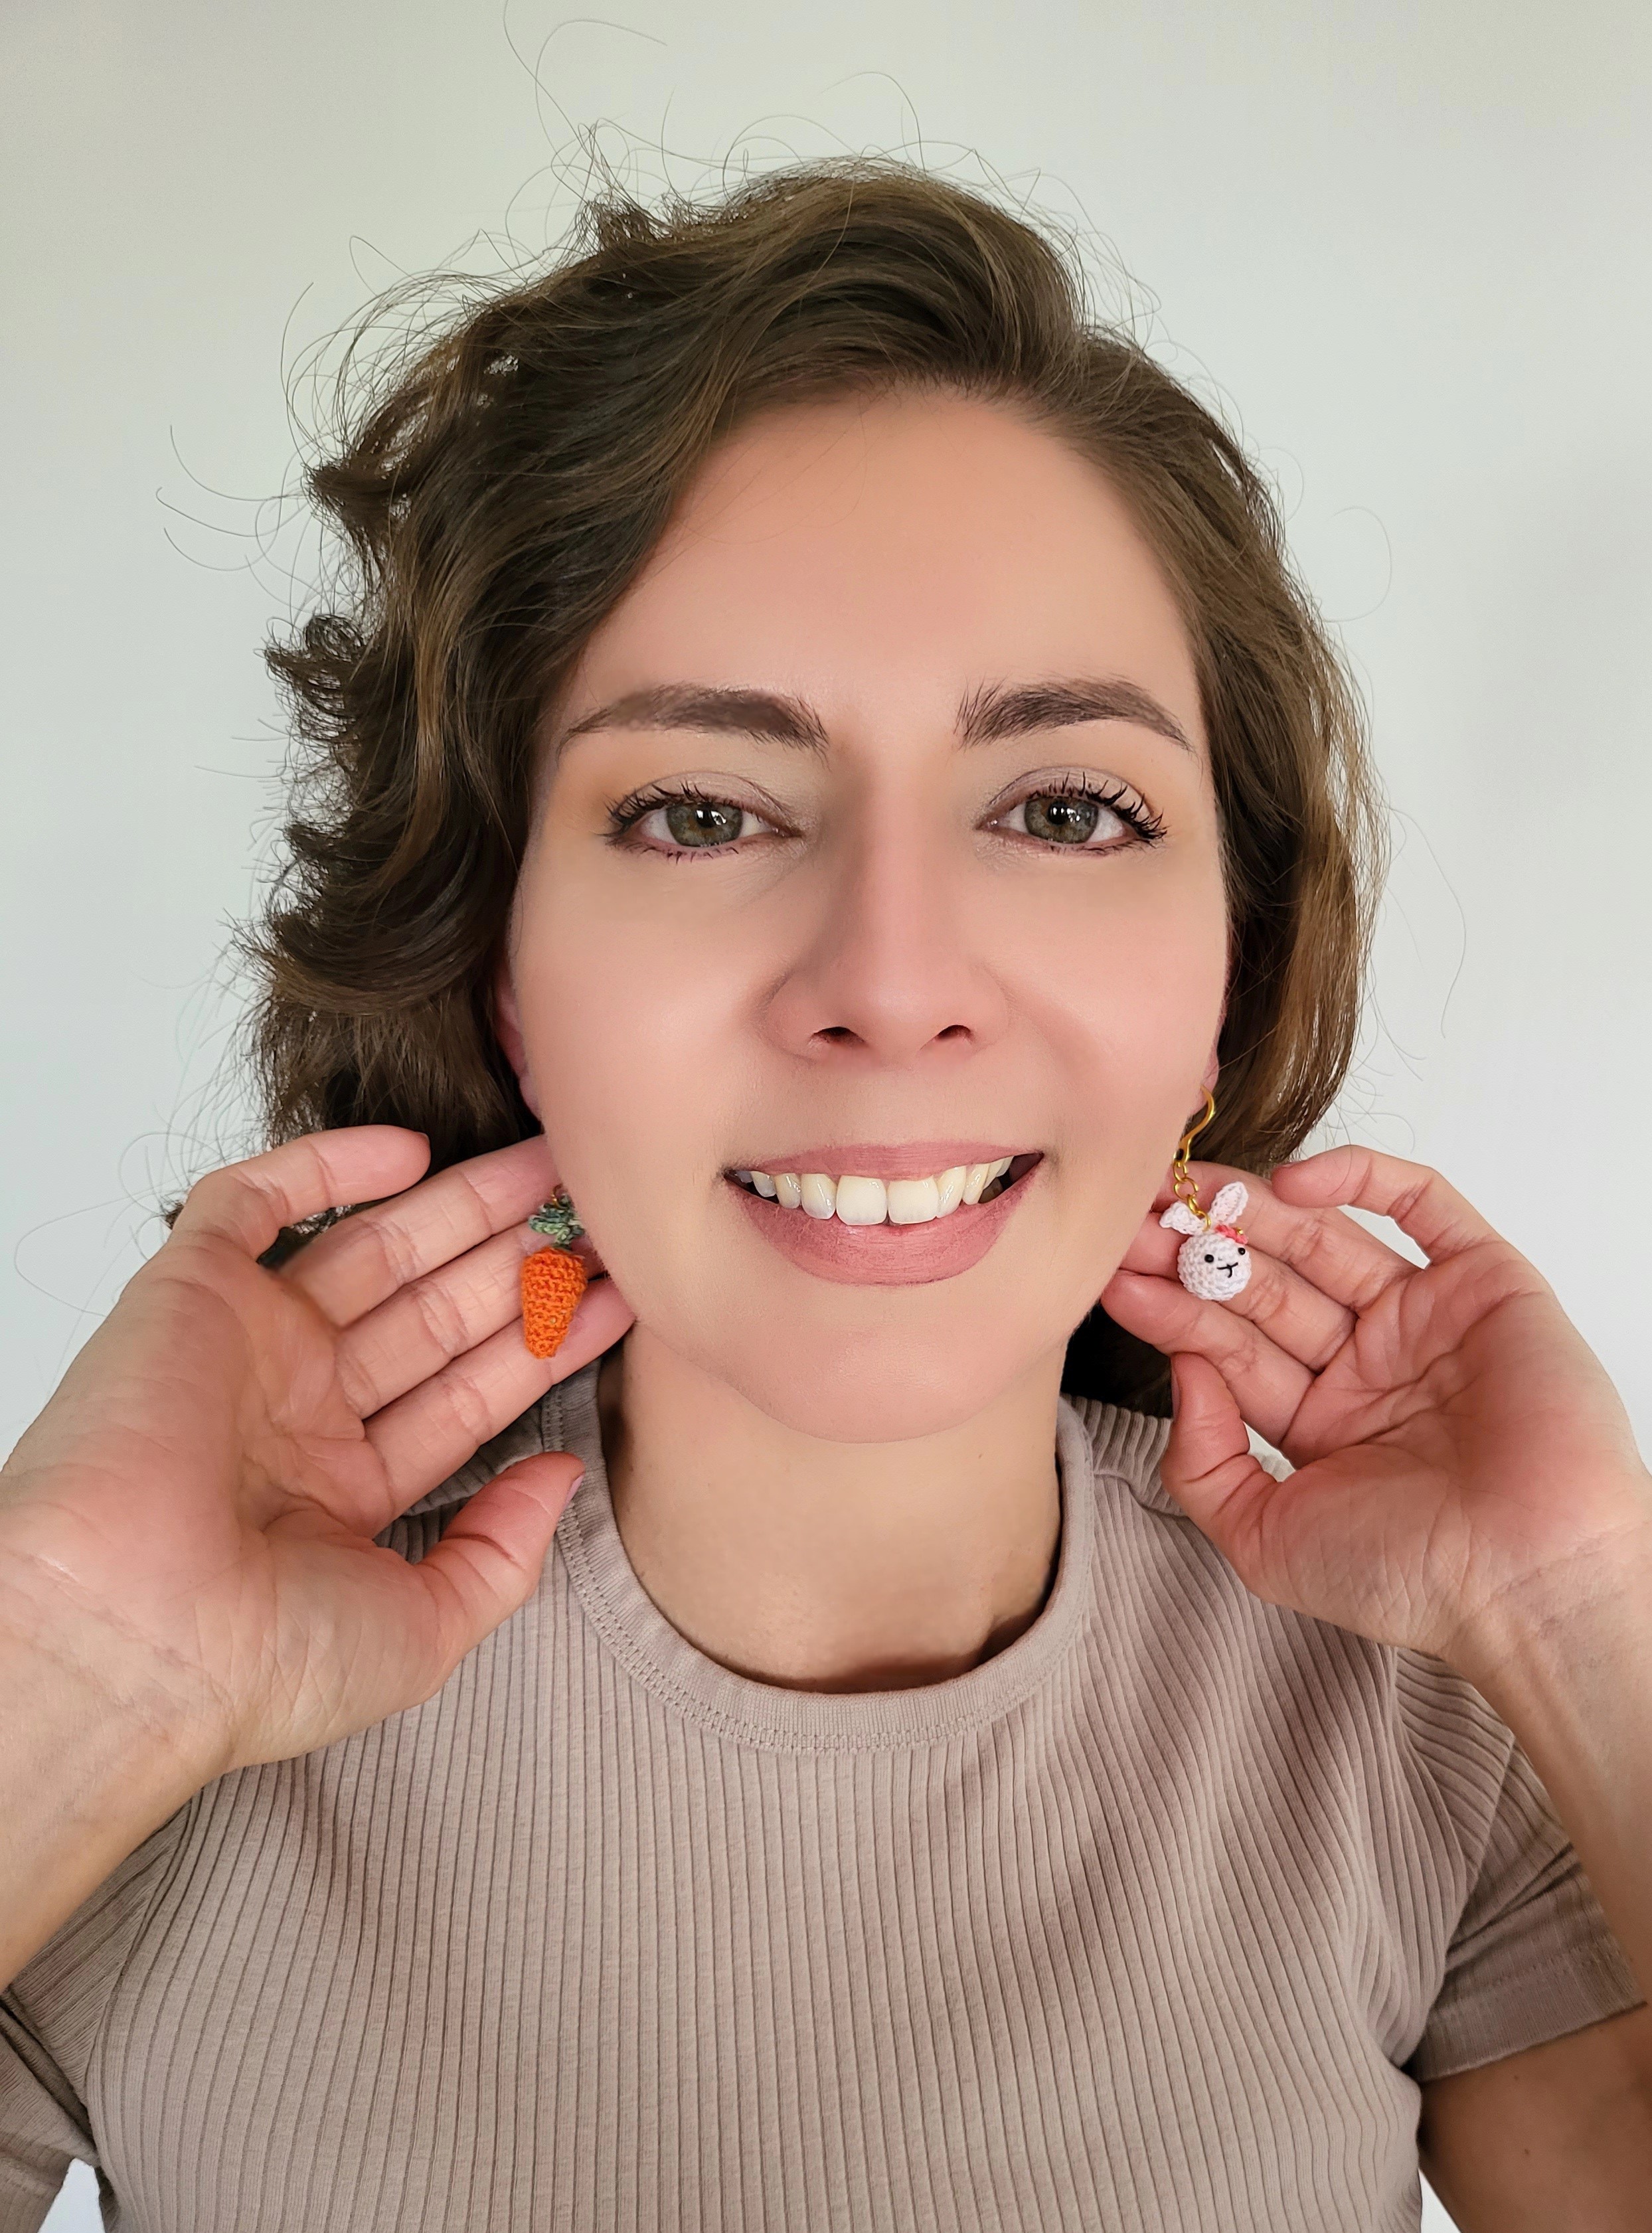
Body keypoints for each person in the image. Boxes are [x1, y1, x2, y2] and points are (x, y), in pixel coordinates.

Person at [2, 157, 1649, 2233]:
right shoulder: (151, 1730)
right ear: (503, 973)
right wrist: (59, 1668)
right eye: (702, 808)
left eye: (1064, 806)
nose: (888, 979)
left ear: (1229, 974)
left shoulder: (1422, 1731)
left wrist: (1595, 1629)